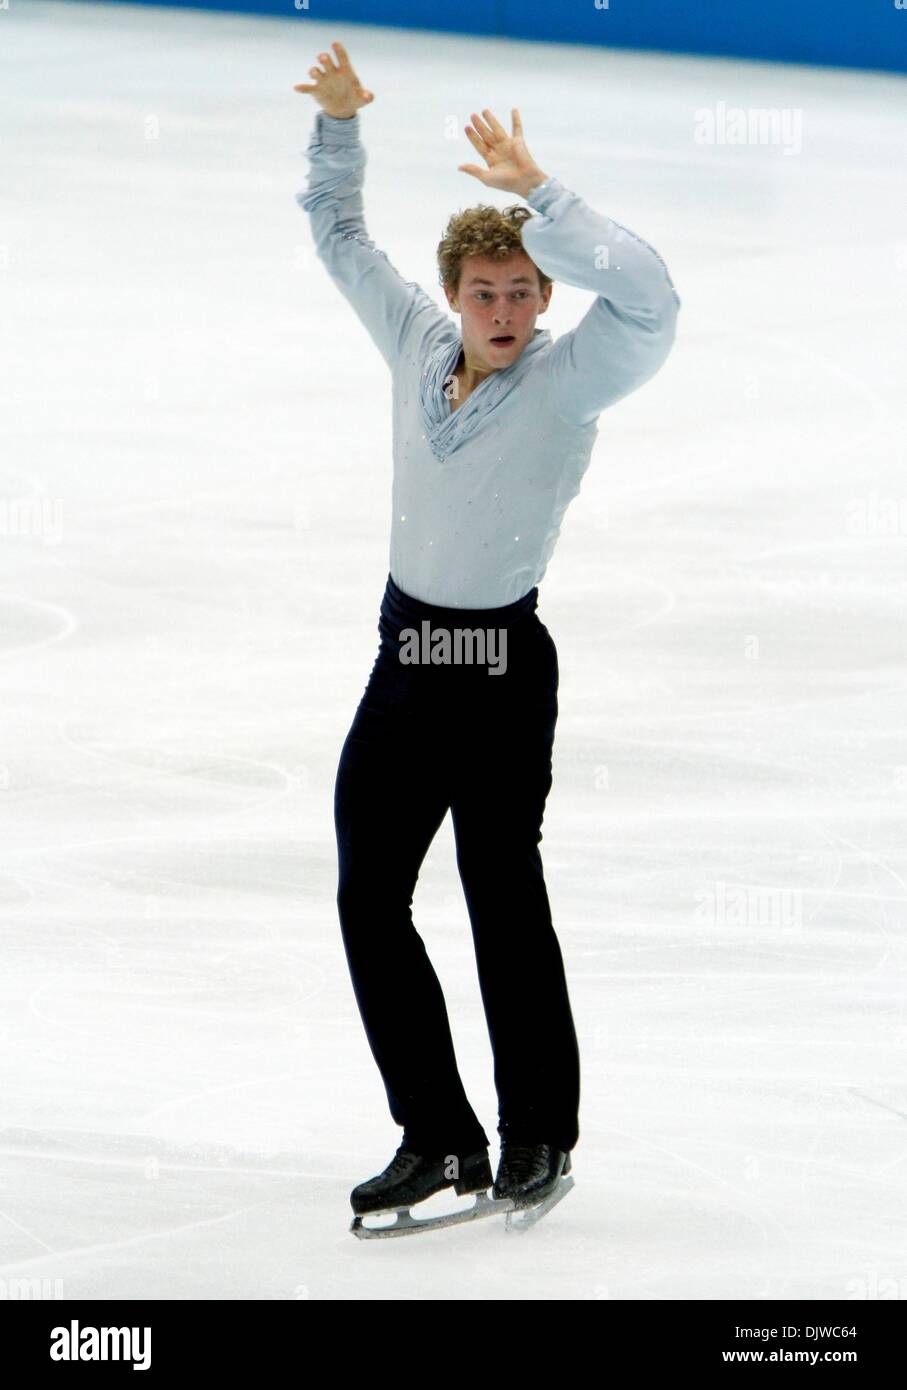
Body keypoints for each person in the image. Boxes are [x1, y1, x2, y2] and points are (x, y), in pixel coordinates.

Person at [294, 41, 680, 1221]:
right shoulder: (413, 341)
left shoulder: (571, 380)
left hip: (502, 669)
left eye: (522, 291)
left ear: (543, 297)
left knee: (500, 893)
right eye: (485, 292)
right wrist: (342, 125)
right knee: (370, 896)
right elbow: (338, 231)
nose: (504, 311)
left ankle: (538, 1135)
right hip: (406, 659)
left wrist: (544, 197)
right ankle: (439, 1131)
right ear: (453, 294)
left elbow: (653, 297)